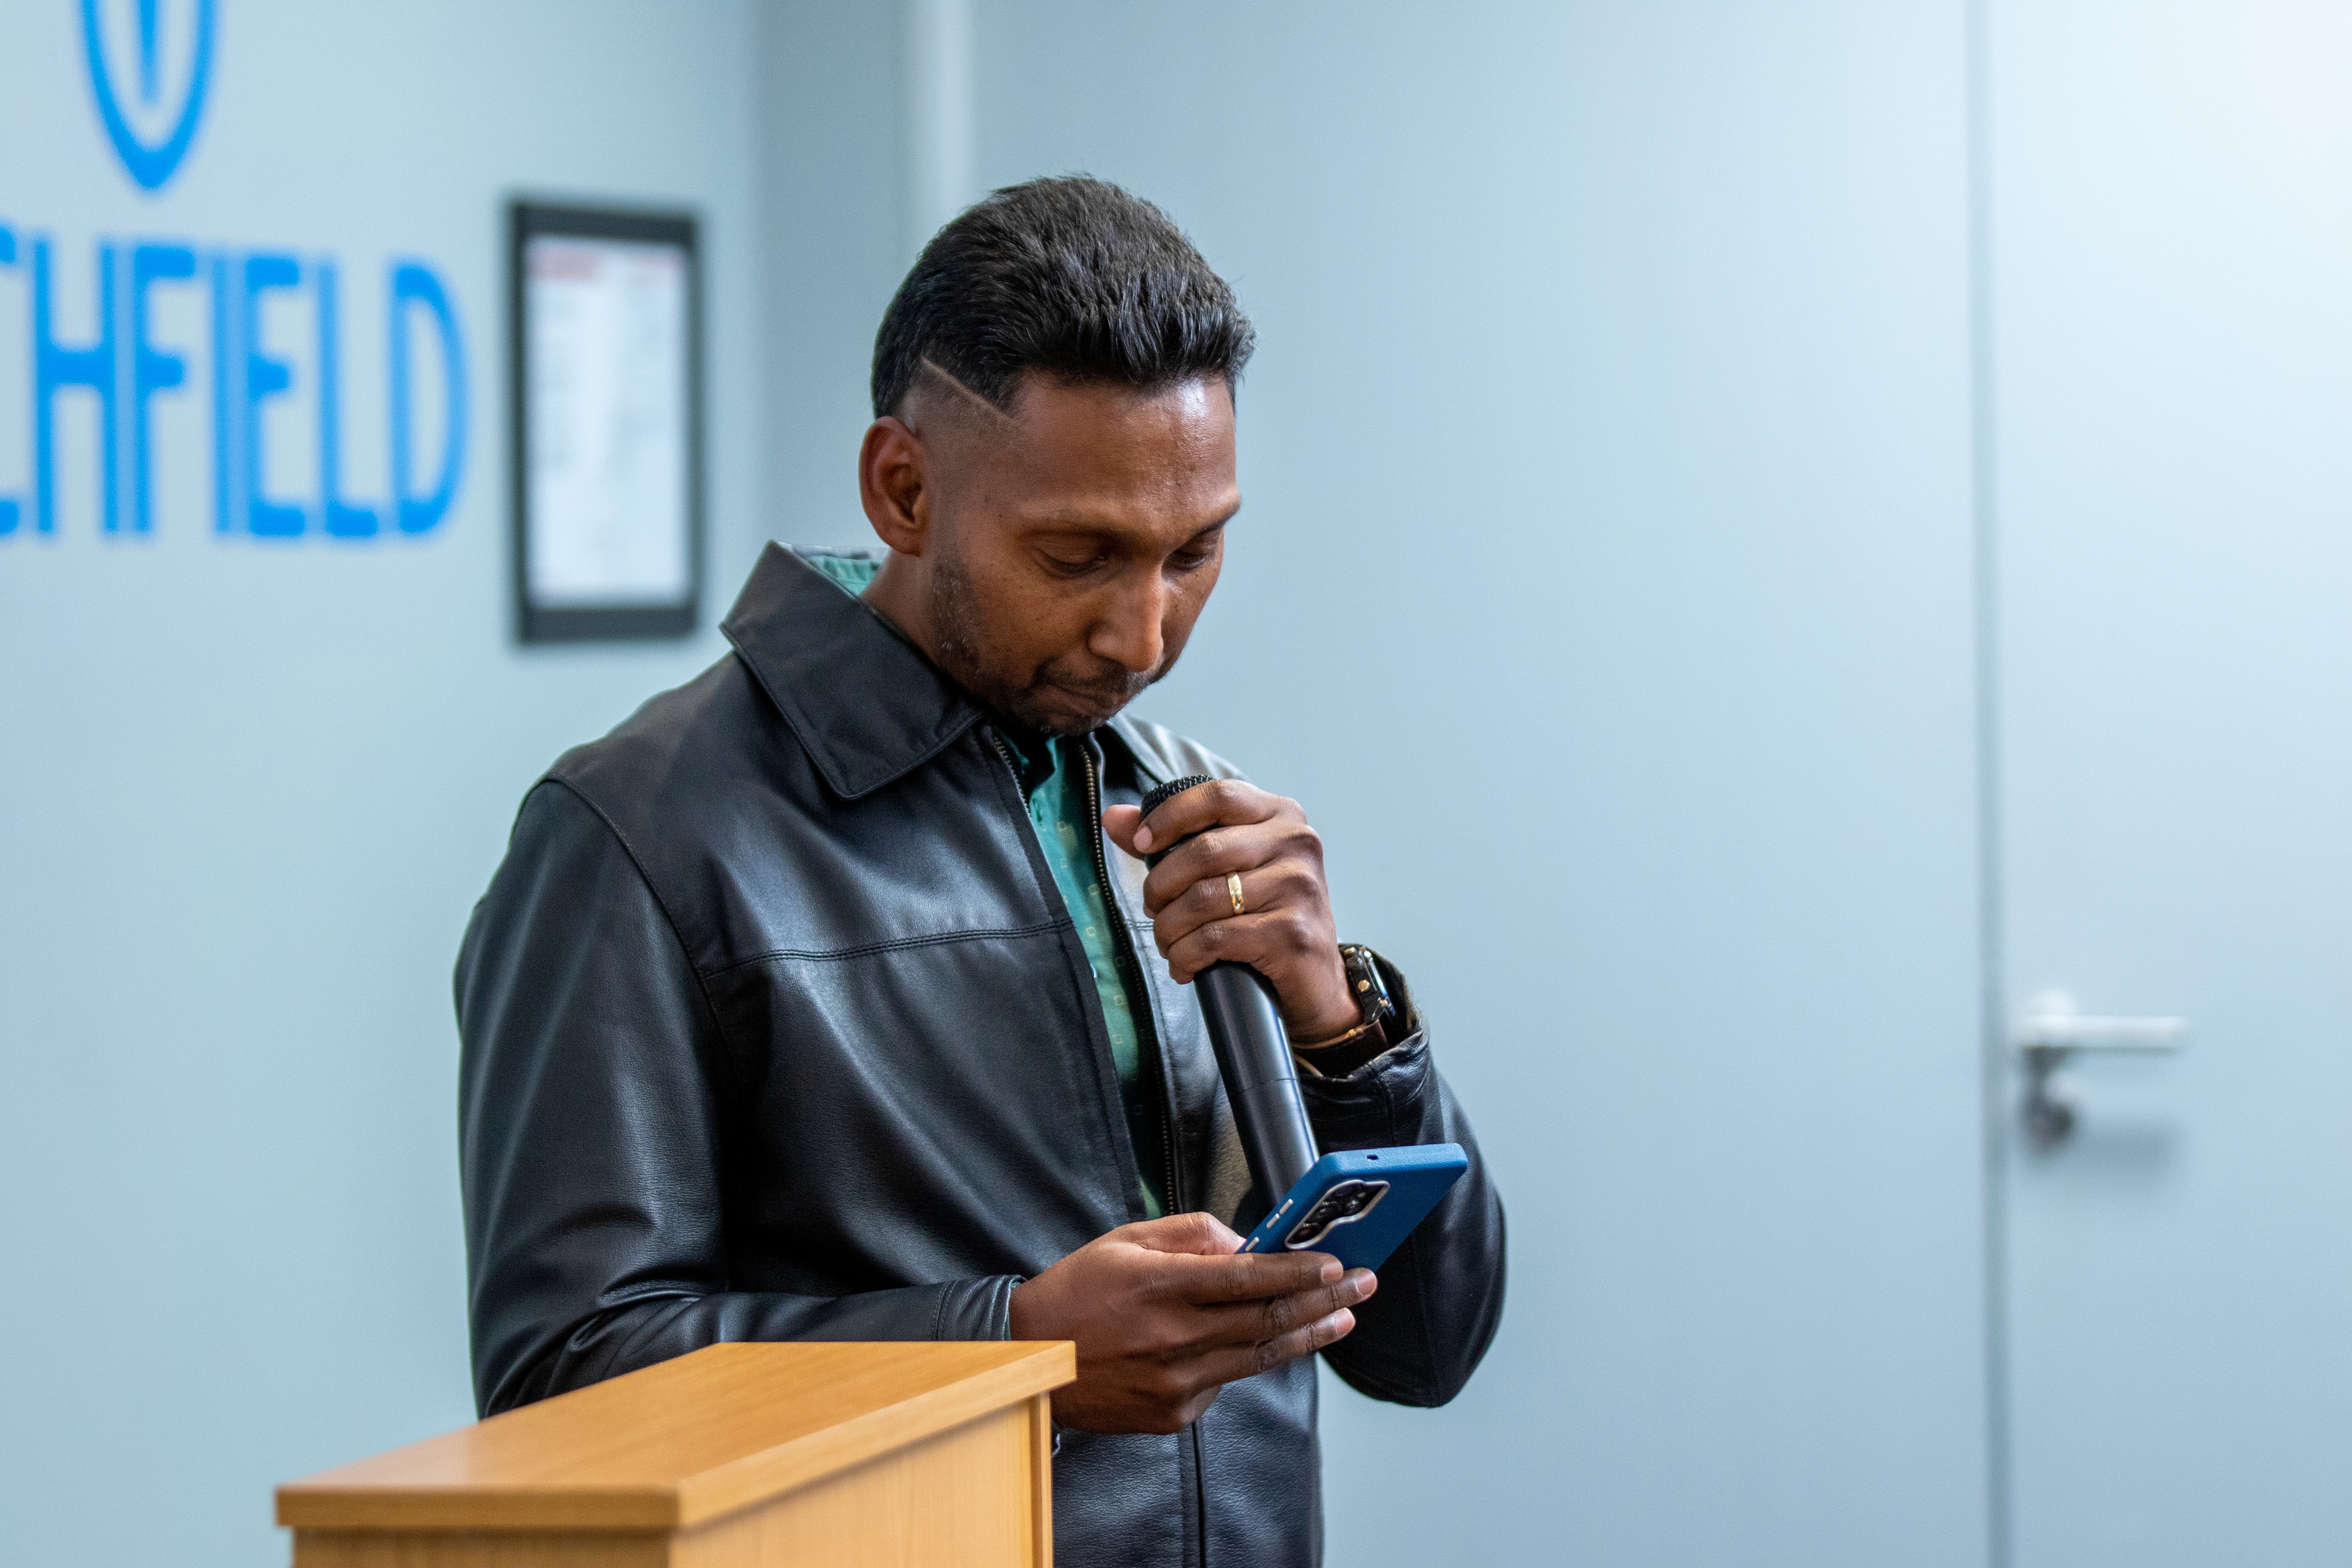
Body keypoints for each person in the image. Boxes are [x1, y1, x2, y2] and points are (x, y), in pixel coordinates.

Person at [456, 175, 1505, 1567]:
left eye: (1196, 553)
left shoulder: (1178, 796)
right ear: (904, 489)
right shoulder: (634, 835)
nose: (1144, 636)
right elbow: (563, 1388)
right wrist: (1011, 1354)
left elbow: (1426, 1348)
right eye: (1079, 556)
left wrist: (1342, 1027)